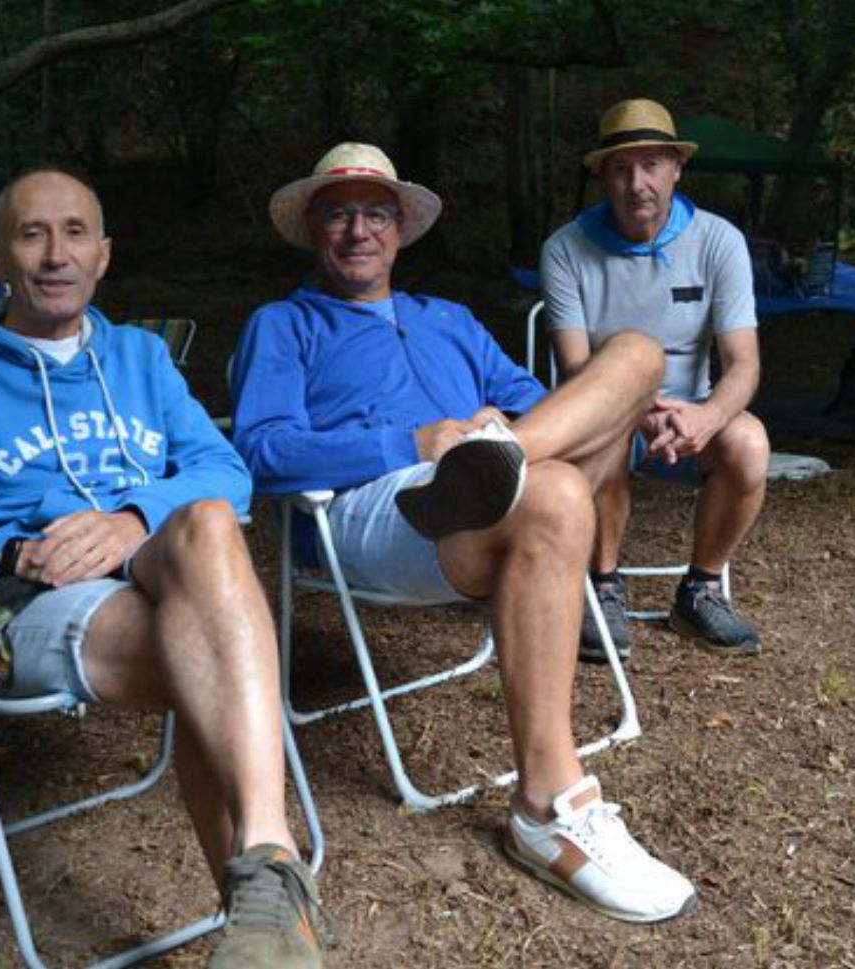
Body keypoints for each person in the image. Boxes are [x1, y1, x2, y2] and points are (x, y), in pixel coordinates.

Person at [0, 167, 324, 968]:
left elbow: (225, 471)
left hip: (147, 574)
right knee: (213, 655)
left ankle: (264, 871)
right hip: (18, 599)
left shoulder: (139, 358)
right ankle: (270, 901)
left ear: (104, 255)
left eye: (75, 233)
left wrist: (131, 518)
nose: (55, 254)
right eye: (32, 234)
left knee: (201, 521)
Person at [231, 143, 697, 924]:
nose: (357, 231)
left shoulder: (446, 319)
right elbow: (261, 449)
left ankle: (497, 465)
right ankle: (549, 803)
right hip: (366, 506)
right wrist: (412, 444)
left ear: (400, 229)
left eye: (375, 213)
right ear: (313, 229)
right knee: (552, 489)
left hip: (498, 484)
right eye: (339, 213)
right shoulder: (284, 325)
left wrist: (504, 435)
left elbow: (531, 399)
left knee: (637, 354)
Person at [541, 98, 771, 658]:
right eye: (621, 168)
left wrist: (708, 416)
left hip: (692, 409)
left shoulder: (719, 242)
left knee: (749, 443)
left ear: (677, 168)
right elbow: (574, 367)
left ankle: (700, 589)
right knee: (606, 432)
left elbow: (744, 362)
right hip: (605, 406)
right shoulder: (565, 248)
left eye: (651, 165)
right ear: (602, 177)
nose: (637, 183)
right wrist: (631, 409)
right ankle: (603, 586)